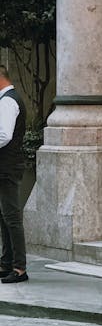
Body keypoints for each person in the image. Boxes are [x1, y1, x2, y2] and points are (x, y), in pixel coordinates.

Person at [0, 65, 28, 283]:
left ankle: (19, 268)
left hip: (7, 167)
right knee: (4, 217)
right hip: (5, 166)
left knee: (11, 217)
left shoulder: (8, 101)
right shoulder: (7, 99)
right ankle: (7, 262)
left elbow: (4, 135)